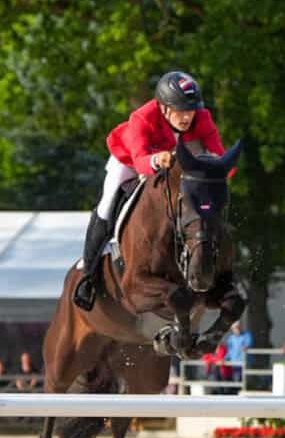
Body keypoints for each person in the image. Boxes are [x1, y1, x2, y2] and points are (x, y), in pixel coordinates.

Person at [73, 70, 230, 311]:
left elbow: (219, 157)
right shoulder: (142, 117)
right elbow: (140, 162)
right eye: (181, 110)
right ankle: (89, 274)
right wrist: (158, 160)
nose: (188, 116)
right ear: (165, 108)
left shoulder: (202, 118)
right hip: (131, 160)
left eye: (191, 109)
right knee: (107, 203)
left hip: (173, 164)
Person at [223, 321, 252, 387]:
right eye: (235, 328)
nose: (237, 329)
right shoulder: (231, 338)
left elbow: (248, 344)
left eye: (238, 327)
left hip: (243, 362)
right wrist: (224, 359)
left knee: (239, 379)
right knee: (234, 379)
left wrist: (245, 347)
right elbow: (229, 351)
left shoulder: (247, 335)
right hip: (234, 363)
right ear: (232, 330)